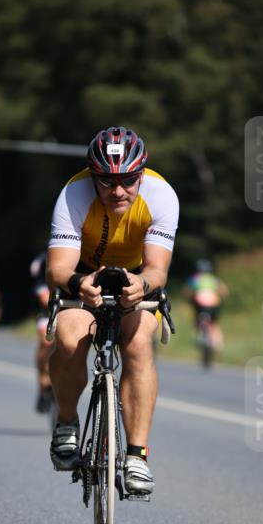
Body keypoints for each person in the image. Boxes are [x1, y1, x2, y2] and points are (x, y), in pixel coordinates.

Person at [46, 126, 179, 495]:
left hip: (136, 277)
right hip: (82, 274)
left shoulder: (161, 195)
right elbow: (57, 268)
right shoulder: (74, 193)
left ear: (141, 175)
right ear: (93, 176)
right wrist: (78, 284)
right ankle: (67, 423)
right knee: (70, 338)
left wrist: (143, 285)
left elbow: (158, 269)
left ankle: (136, 456)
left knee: (137, 344)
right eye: (106, 181)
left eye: (128, 181)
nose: (118, 191)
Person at [183, 259, 229, 356]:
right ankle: (218, 345)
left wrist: (188, 299)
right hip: (214, 305)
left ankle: (198, 337)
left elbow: (187, 292)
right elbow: (224, 291)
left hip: (199, 305)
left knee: (197, 321)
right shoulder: (214, 279)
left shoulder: (195, 278)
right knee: (214, 324)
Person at [29, 252, 54, 413]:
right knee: (46, 342)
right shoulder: (42, 262)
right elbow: (44, 298)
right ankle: (43, 383)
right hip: (47, 312)